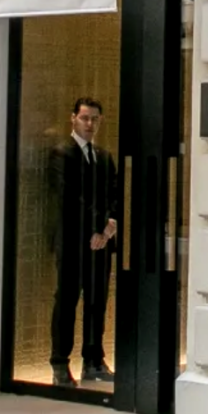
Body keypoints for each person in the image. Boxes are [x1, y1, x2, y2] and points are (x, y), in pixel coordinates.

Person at [48, 96, 121, 387]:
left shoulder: (104, 156)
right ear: (73, 118)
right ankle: (59, 364)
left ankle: (93, 360)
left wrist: (109, 226)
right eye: (85, 118)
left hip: (101, 242)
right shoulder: (61, 153)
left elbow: (114, 194)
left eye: (95, 119)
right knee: (66, 302)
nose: (90, 124)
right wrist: (97, 226)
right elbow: (68, 198)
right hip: (71, 242)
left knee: (96, 303)